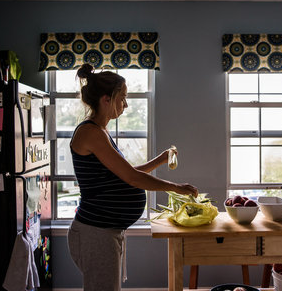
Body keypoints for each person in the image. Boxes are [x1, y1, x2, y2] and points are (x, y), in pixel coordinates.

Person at [68, 63, 198, 291]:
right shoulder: (90, 132)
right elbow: (131, 178)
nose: (126, 105)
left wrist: (161, 159)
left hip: (106, 230)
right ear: (106, 99)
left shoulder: (101, 131)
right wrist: (176, 187)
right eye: (123, 98)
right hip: (96, 232)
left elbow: (124, 174)